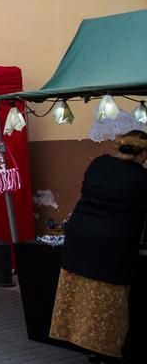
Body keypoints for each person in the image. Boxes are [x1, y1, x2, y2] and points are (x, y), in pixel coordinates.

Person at [50, 130, 147, 363]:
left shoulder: (98, 163)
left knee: (81, 297)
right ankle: (106, 353)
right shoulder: (142, 177)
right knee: (108, 305)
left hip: (80, 238)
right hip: (111, 245)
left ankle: (89, 349)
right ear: (142, 152)